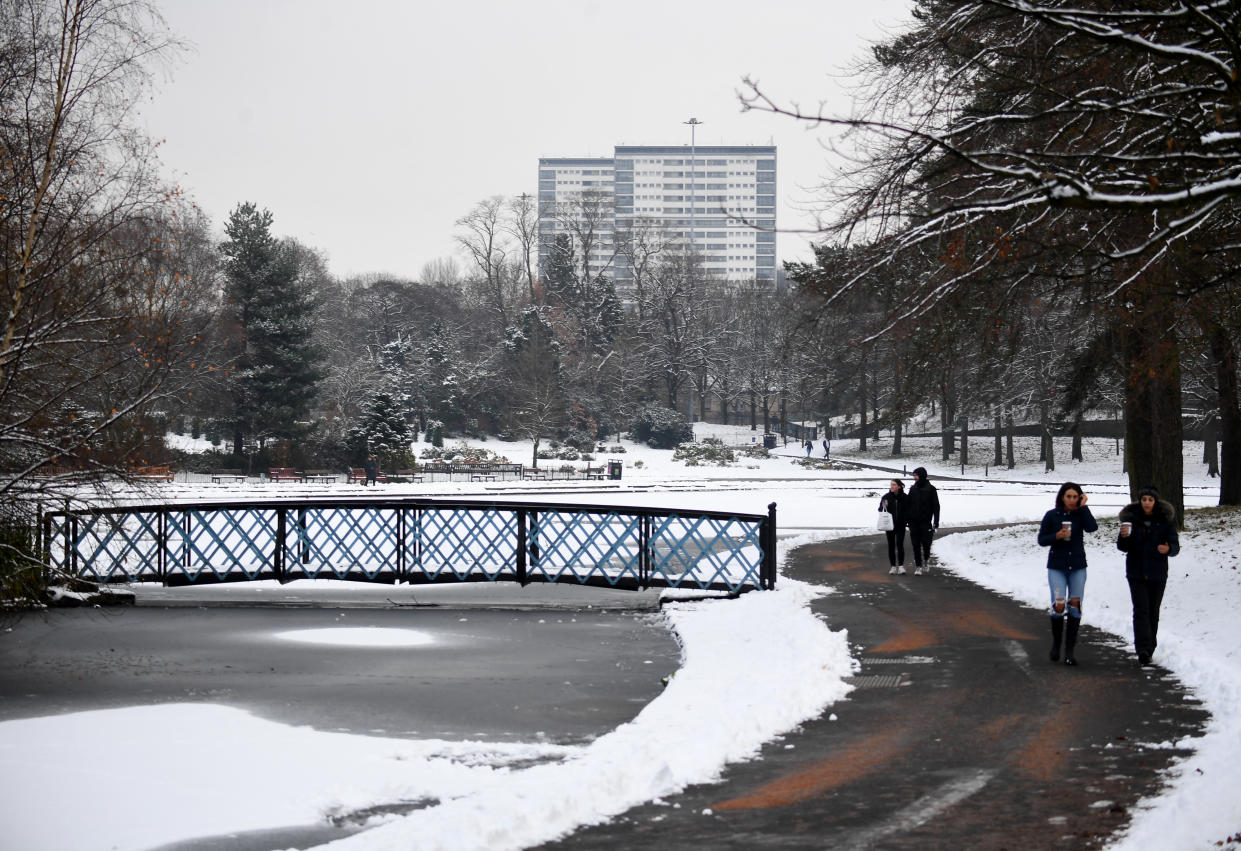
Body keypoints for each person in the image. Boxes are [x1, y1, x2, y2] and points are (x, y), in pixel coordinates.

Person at [1117, 487, 1179, 666]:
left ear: (1155, 502)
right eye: (1144, 499)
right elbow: (1122, 547)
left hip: (1157, 573)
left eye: (1150, 500)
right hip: (1136, 572)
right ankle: (1143, 649)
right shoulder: (1130, 520)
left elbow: (1175, 546)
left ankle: (1150, 646)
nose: (1146, 503)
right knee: (1141, 610)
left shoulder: (1165, 522)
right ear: (1140, 501)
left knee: (1153, 611)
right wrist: (1123, 537)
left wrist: (1168, 549)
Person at [1037, 481, 1098, 666]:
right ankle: (1056, 644)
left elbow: (1092, 528)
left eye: (1075, 497)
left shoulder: (1081, 515)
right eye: (1068, 496)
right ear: (1062, 497)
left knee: (1075, 605)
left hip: (1078, 566)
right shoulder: (1052, 515)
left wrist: (1084, 507)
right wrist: (1056, 536)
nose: (1071, 500)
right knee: (1058, 605)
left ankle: (1070, 651)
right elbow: (1041, 539)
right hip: (1057, 566)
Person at [905, 467, 940, 575]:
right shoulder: (913, 489)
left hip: (926, 522)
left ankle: (926, 559)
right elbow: (908, 504)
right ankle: (918, 567)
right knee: (915, 544)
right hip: (913, 522)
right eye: (913, 476)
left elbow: (936, 507)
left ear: (922, 475)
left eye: (916, 475)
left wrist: (936, 522)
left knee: (926, 543)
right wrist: (907, 519)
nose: (914, 478)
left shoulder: (931, 489)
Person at [879, 479, 907, 575]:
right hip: (889, 525)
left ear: (899, 486)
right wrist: (883, 506)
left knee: (900, 544)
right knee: (891, 545)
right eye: (891, 484)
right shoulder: (886, 497)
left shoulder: (904, 497)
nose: (892, 486)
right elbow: (880, 509)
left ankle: (901, 566)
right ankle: (893, 567)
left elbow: (908, 510)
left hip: (901, 525)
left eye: (894, 485)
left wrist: (906, 520)